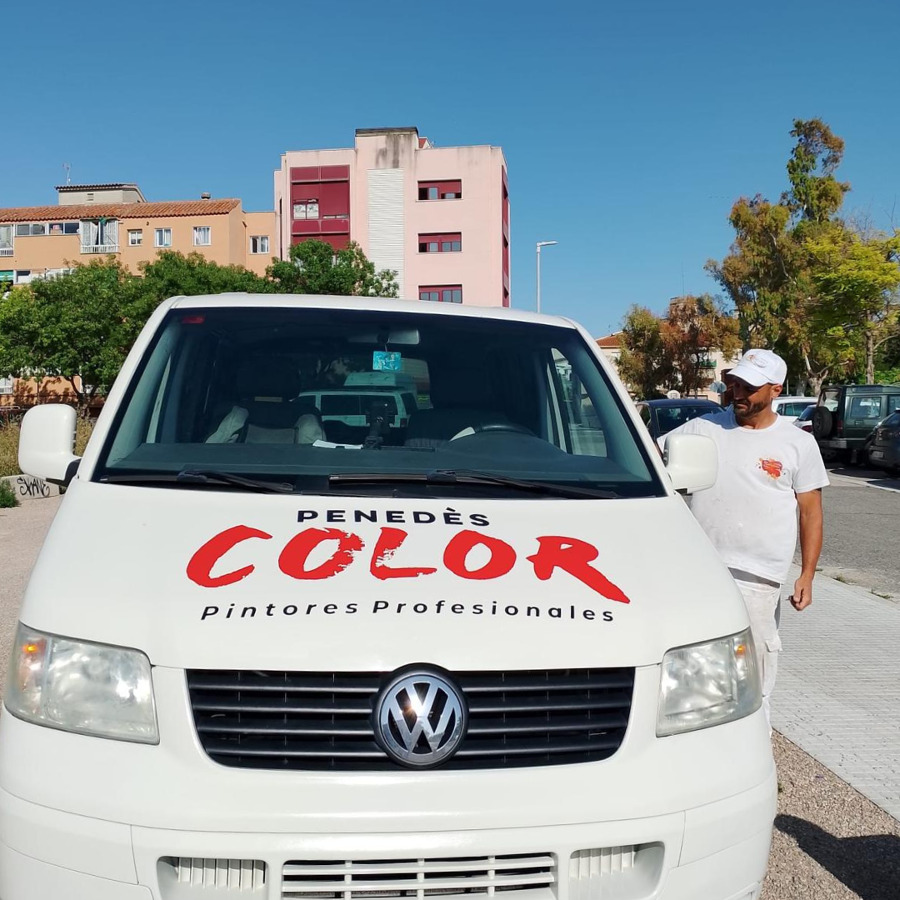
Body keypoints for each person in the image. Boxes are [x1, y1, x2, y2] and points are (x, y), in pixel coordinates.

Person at [670, 349, 828, 725]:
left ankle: (756, 738)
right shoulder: (701, 431)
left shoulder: (797, 443)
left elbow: (811, 512)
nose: (737, 393)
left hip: (759, 578)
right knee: (695, 660)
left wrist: (807, 573)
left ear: (775, 389)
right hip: (701, 570)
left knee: (753, 666)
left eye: (749, 387)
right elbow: (644, 459)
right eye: (734, 384)